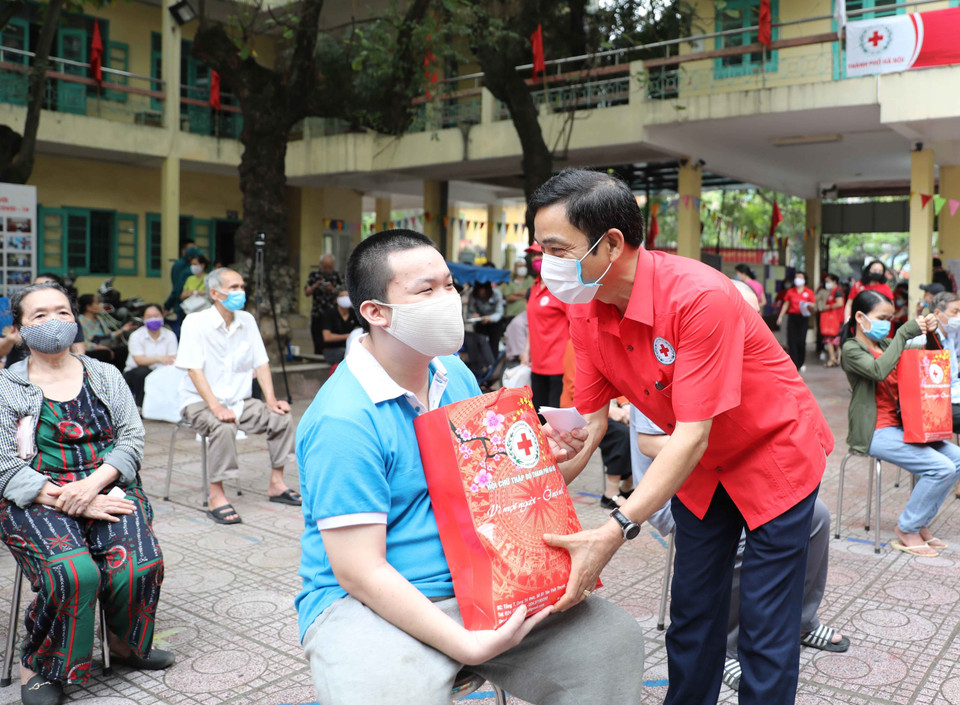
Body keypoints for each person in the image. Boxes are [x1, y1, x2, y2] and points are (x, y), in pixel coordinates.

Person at [295, 229, 645, 705]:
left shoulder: (453, 373)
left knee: (610, 640)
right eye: (426, 290)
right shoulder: (343, 419)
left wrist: (543, 463)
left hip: (485, 577)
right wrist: (467, 644)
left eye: (449, 285)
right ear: (375, 313)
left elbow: (497, 494)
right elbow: (360, 570)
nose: (448, 301)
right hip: (371, 602)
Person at [526, 169, 833, 705]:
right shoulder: (585, 306)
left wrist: (617, 526)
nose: (545, 264)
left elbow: (689, 434)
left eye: (556, 248)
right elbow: (592, 422)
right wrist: (540, 477)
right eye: (541, 249)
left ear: (612, 243)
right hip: (701, 469)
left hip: (773, 451)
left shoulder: (698, 296)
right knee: (692, 610)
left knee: (765, 620)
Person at [0, 282, 173, 705]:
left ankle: (124, 644)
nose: (54, 322)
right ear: (20, 329)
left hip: (106, 484)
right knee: (76, 573)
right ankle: (40, 665)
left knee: (140, 564)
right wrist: (69, 498)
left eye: (62, 312)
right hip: (36, 497)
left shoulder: (104, 373)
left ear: (74, 319)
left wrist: (94, 486)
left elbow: (132, 438)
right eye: (39, 315)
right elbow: (4, 463)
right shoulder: (6, 387)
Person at [629, 405, 849, 692]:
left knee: (815, 516)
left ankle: (803, 620)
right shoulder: (660, 370)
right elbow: (653, 443)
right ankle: (727, 647)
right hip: (676, 489)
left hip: (729, 476)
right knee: (742, 538)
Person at [175, 267, 300, 525]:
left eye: (242, 287)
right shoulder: (195, 323)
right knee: (223, 426)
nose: (240, 292)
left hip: (240, 402)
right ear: (214, 293)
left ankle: (276, 483)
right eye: (233, 288)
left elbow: (261, 362)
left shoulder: (247, 321)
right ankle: (216, 494)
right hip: (200, 402)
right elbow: (194, 369)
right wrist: (216, 407)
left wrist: (271, 400)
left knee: (280, 418)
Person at [840, 290, 960, 557]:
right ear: (860, 317)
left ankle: (920, 523)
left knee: (957, 458)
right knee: (940, 468)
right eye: (881, 317)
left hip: (902, 427)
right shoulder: (851, 349)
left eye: (891, 319)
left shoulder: (886, 344)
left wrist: (931, 332)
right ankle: (907, 528)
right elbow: (877, 371)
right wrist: (905, 332)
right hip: (874, 431)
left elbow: (928, 358)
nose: (888, 323)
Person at [560, 339, 633, 509]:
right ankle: (611, 493)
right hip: (581, 408)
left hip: (611, 405)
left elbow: (621, 378)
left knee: (639, 428)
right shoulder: (574, 344)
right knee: (621, 434)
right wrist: (611, 412)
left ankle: (628, 485)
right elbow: (575, 389)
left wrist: (626, 405)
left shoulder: (612, 341)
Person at [522, 242, 569, 412]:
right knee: (538, 417)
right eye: (534, 255)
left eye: (541, 254)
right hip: (537, 364)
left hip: (559, 366)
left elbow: (576, 327)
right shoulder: (533, 287)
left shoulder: (562, 288)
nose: (537, 259)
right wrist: (526, 350)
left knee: (554, 419)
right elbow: (531, 322)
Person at [0, 274, 84, 367]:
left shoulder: (69, 321)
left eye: (63, 313)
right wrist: (9, 340)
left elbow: (79, 352)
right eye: (39, 316)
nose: (52, 320)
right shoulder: (14, 315)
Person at [123, 304, 178, 407]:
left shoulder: (170, 335)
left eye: (156, 315)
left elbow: (172, 359)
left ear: (163, 315)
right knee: (143, 372)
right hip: (135, 373)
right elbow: (140, 360)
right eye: (149, 317)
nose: (153, 319)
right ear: (143, 319)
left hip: (161, 371)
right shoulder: (136, 336)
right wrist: (159, 358)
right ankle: (140, 406)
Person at [77, 293, 136, 369]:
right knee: (105, 353)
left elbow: (109, 335)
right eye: (97, 303)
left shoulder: (99, 319)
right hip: (91, 351)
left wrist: (123, 330)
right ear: (89, 307)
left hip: (106, 348)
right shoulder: (80, 321)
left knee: (123, 350)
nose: (101, 305)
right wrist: (102, 348)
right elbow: (83, 343)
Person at [305, 254, 343, 355]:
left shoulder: (336, 276)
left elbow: (343, 293)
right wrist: (315, 286)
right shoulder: (314, 275)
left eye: (330, 266)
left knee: (332, 338)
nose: (327, 269)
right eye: (325, 266)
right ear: (321, 265)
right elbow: (307, 292)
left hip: (332, 313)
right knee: (317, 338)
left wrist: (332, 289)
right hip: (318, 312)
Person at [776, 271, 815, 371]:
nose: (797, 278)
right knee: (791, 340)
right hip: (792, 317)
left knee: (801, 341)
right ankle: (794, 363)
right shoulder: (790, 291)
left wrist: (808, 305)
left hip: (803, 317)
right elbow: (786, 304)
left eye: (800, 277)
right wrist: (780, 316)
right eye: (796, 277)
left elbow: (813, 304)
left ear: (804, 279)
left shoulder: (809, 292)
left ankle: (801, 362)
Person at [164, 240, 198, 337]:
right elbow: (177, 288)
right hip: (181, 305)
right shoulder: (180, 265)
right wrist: (168, 305)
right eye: (191, 249)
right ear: (183, 251)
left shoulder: (192, 265)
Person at [320, 289, 360, 365]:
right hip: (332, 350)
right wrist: (349, 336)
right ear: (336, 299)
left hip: (348, 347)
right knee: (348, 354)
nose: (345, 298)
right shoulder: (330, 313)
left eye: (347, 296)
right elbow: (327, 337)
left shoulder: (353, 313)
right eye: (342, 296)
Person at [466, 281, 505, 359]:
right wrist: (473, 315)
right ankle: (482, 364)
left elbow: (500, 312)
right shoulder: (473, 296)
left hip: (494, 322)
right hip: (480, 322)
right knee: (479, 343)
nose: (481, 294)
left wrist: (490, 318)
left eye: (483, 292)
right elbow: (469, 313)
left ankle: (493, 363)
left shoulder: (496, 294)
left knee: (494, 345)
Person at [818, 273, 845, 368]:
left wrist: (827, 307)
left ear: (834, 281)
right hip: (835, 320)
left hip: (835, 320)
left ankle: (832, 359)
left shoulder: (837, 291)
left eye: (827, 281)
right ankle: (838, 359)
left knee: (830, 340)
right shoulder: (833, 291)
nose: (826, 283)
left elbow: (840, 303)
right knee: (837, 340)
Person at [499, 259, 534, 328]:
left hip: (528, 314)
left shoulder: (530, 279)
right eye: (520, 266)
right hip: (512, 314)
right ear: (515, 268)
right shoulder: (509, 280)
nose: (522, 268)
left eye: (524, 266)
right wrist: (525, 295)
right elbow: (508, 297)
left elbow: (532, 292)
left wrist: (515, 293)